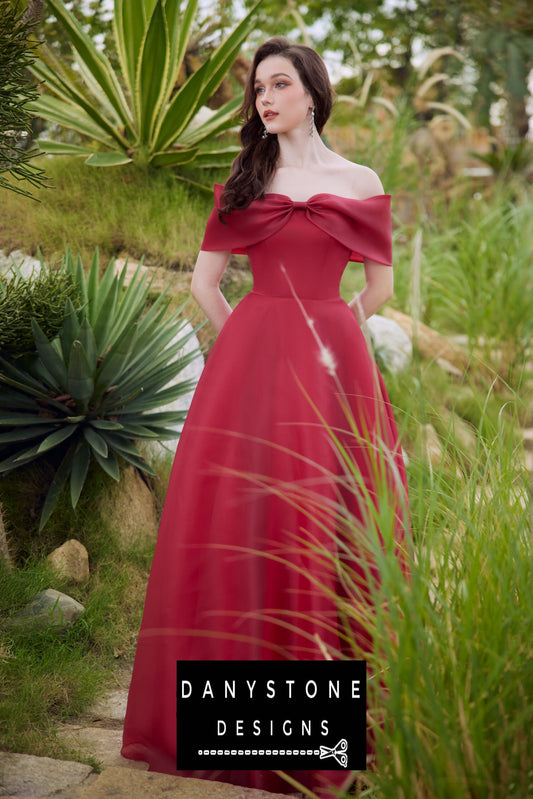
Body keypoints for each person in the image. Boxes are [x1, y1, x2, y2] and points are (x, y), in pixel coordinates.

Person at [121, 36, 409, 798]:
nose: (265, 98)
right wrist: (253, 338)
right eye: (257, 90)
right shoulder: (246, 179)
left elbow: (380, 289)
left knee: (323, 518)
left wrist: (327, 330)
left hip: (332, 367)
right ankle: (234, 734)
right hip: (253, 364)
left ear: (312, 92)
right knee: (241, 522)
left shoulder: (360, 179)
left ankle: (317, 735)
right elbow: (203, 285)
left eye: (279, 84)